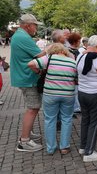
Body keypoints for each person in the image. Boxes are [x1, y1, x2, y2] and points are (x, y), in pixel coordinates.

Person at [28, 43, 77, 155]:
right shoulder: (72, 61)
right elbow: (76, 79)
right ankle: (64, 147)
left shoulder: (49, 58)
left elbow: (30, 64)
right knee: (67, 119)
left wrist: (39, 71)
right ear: (64, 51)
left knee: (50, 120)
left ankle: (51, 148)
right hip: (68, 95)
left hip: (50, 94)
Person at [10, 14, 46, 152]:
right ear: (27, 25)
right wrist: (53, 49)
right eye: (35, 25)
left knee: (32, 107)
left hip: (24, 77)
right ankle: (24, 141)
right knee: (33, 108)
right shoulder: (23, 37)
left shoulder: (19, 35)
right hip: (27, 78)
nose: (36, 28)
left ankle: (27, 133)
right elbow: (41, 55)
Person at [67, 32, 82, 114]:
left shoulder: (76, 51)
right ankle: (74, 108)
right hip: (72, 75)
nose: (80, 42)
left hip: (76, 75)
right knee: (74, 92)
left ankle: (76, 107)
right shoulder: (70, 51)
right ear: (75, 41)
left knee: (75, 92)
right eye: (79, 41)